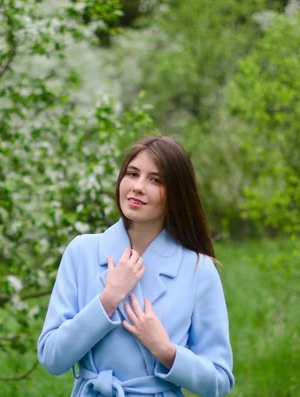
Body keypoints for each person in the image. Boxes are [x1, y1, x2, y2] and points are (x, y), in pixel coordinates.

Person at [37, 136, 234, 397]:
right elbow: (52, 358)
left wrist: (165, 350)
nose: (138, 187)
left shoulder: (199, 269)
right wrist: (107, 300)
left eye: (155, 180)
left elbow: (219, 382)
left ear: (176, 194)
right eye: (132, 174)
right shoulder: (81, 251)